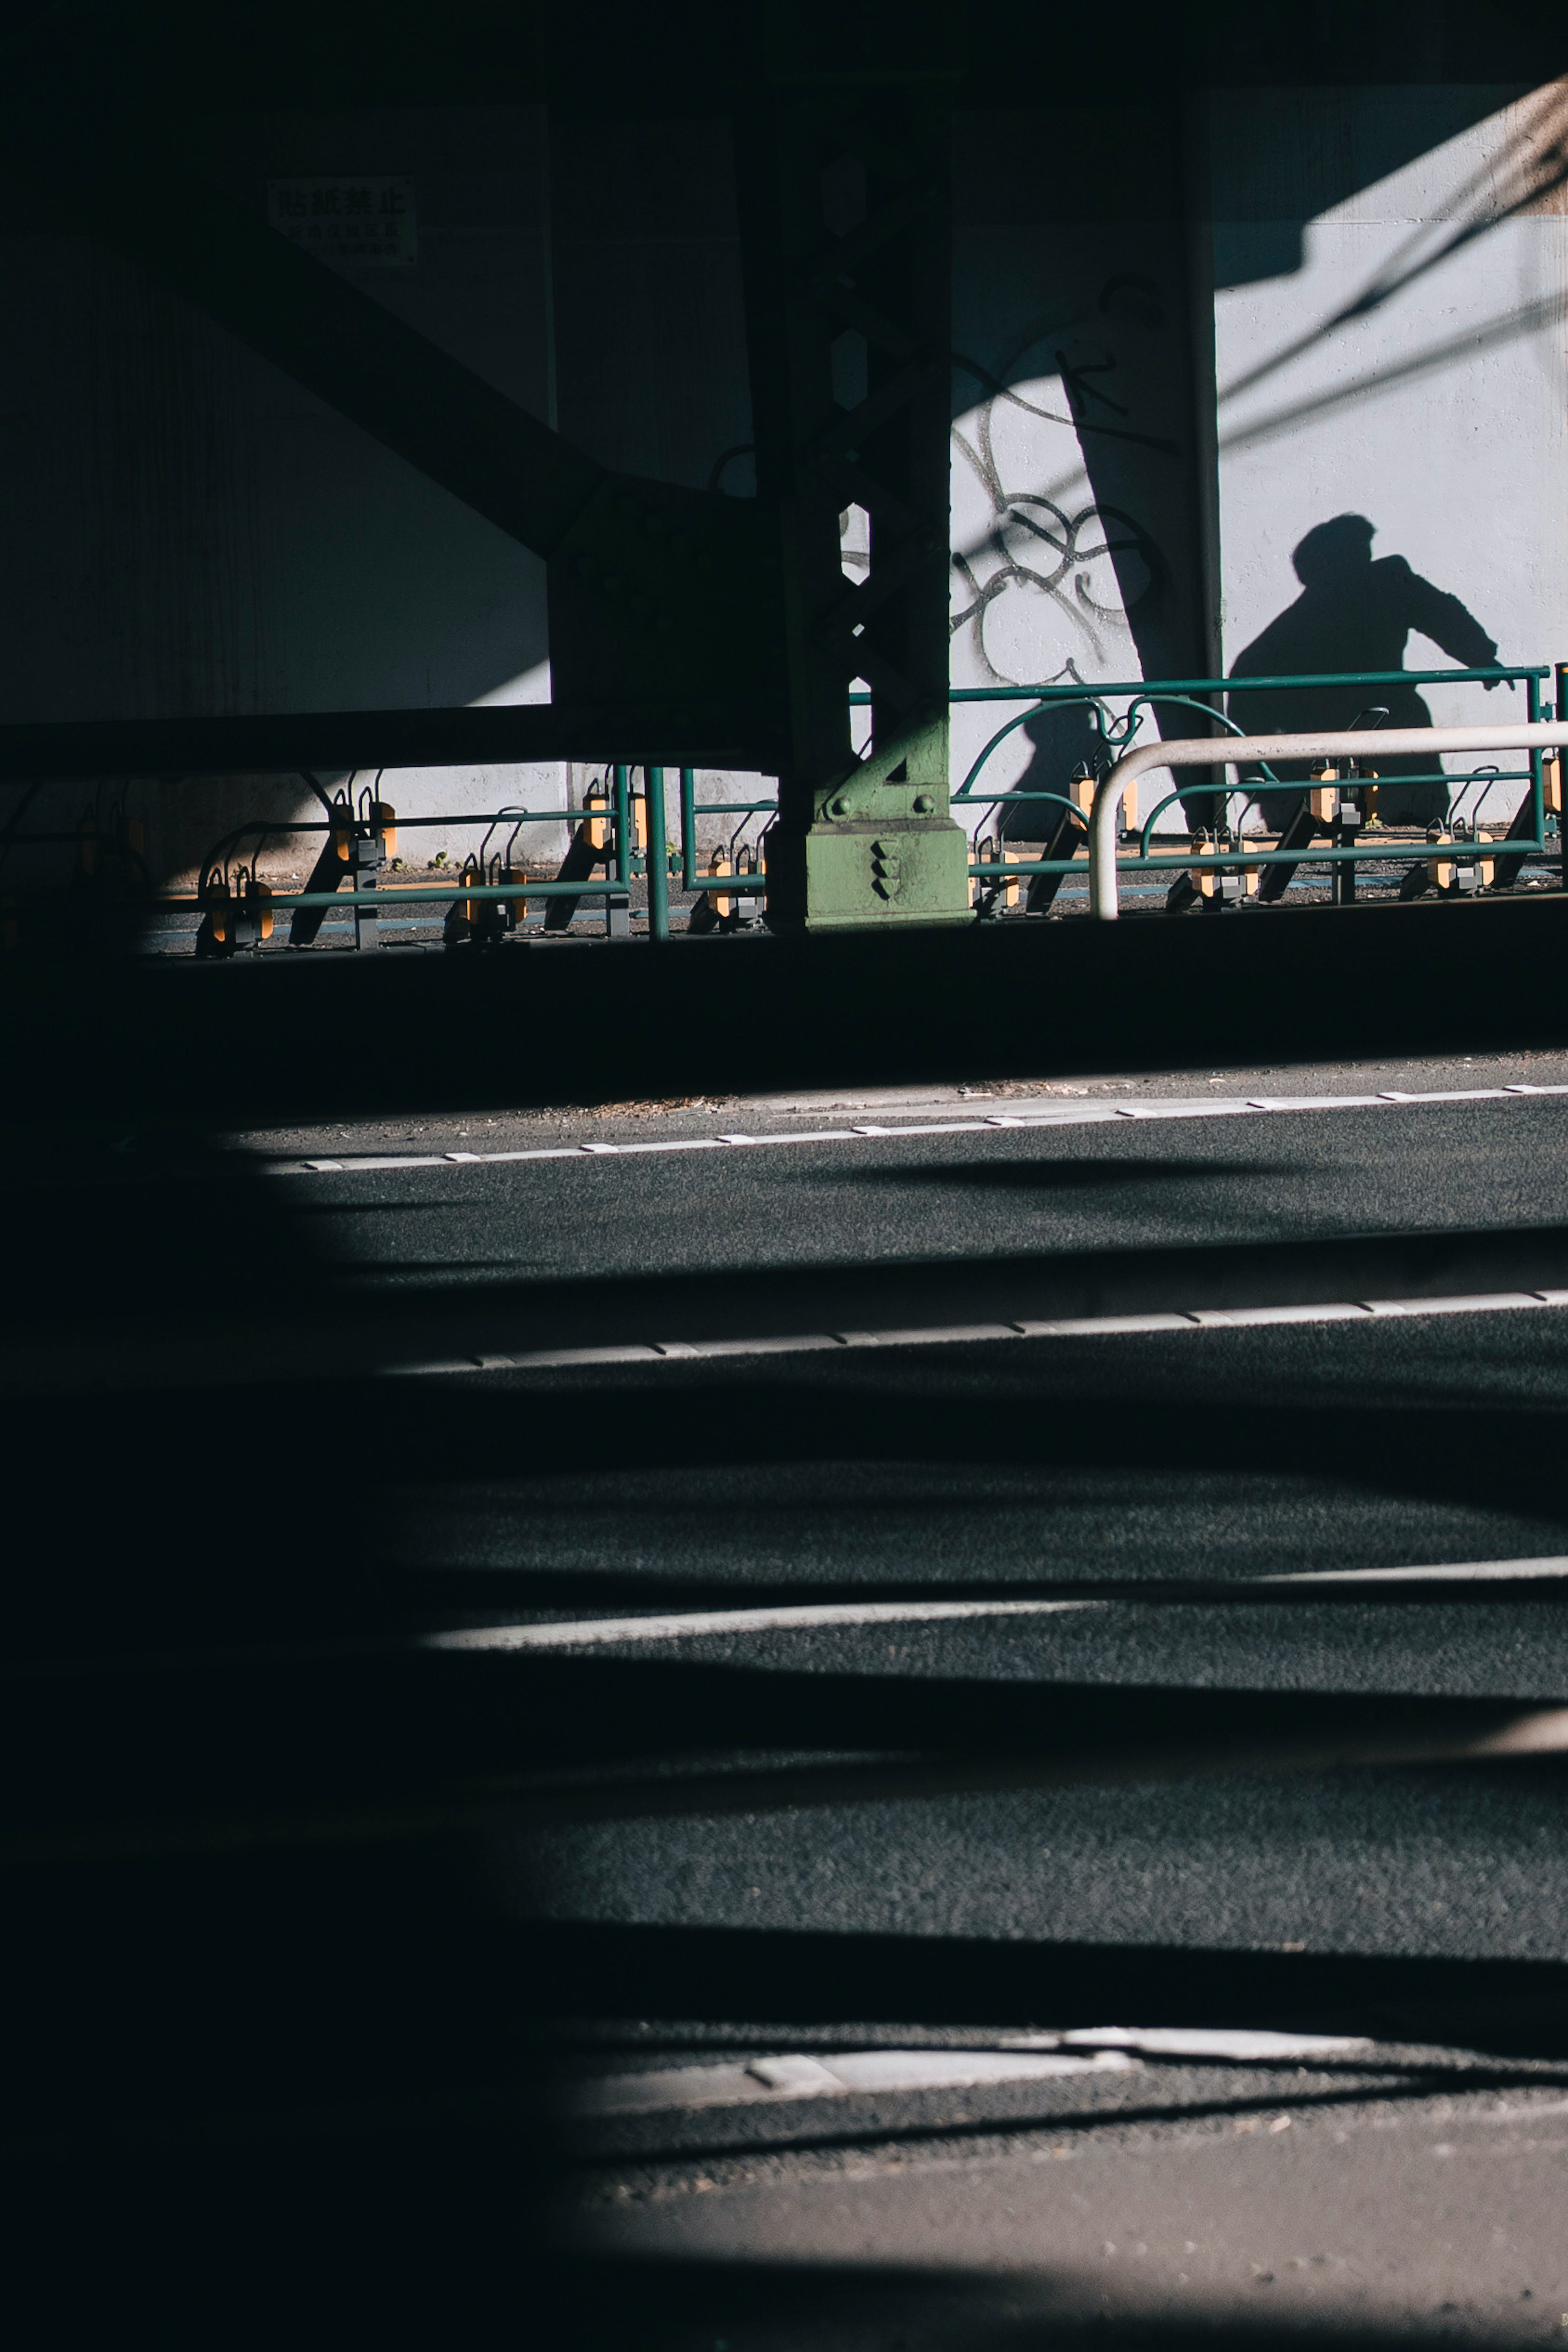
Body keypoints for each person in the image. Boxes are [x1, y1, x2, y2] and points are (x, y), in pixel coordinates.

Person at [1226, 513, 1501, 832]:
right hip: (1355, 717)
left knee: (1408, 789)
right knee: (1372, 796)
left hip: (1380, 713)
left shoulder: (1384, 585)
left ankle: (1410, 822)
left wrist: (1483, 657)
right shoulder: (1370, 591)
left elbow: (1440, 614)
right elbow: (1441, 613)